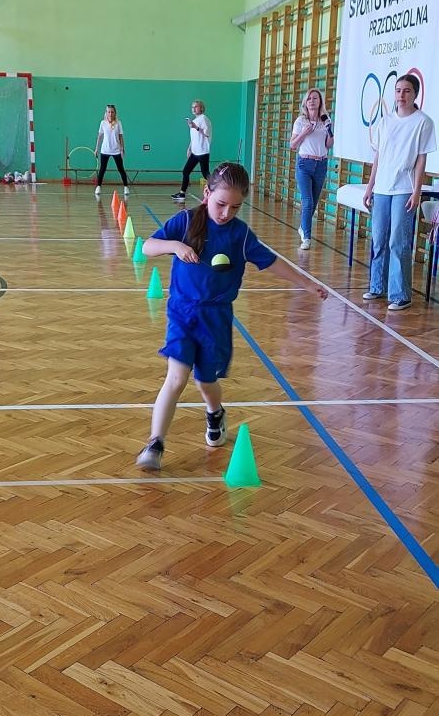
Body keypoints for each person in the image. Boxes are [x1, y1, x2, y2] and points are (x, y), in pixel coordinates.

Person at [137, 161, 327, 470]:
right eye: (221, 204)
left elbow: (271, 262)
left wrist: (307, 283)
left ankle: (215, 413)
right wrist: (174, 246)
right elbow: (147, 246)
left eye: (235, 207)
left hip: (217, 318)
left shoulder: (240, 235)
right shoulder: (185, 221)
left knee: (205, 381)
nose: (226, 212)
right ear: (207, 192)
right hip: (183, 314)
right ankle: (155, 443)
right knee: (176, 377)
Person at [363, 73, 436, 312]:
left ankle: (401, 294)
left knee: (399, 241)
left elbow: (421, 161)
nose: (401, 95)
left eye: (406, 91)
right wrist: (370, 186)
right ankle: (377, 286)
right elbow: (378, 157)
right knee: (379, 238)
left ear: (415, 94)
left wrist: (416, 191)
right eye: (397, 90)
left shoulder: (423, 122)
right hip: (382, 188)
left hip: (404, 189)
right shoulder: (385, 122)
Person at [290, 88, 334, 249]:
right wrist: (304, 133)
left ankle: (303, 226)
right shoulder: (300, 121)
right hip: (304, 164)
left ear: (320, 101)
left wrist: (330, 132)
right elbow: (292, 145)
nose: (312, 101)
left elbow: (328, 145)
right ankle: (307, 237)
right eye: (309, 99)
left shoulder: (326, 120)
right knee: (307, 202)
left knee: (313, 202)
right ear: (305, 103)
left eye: (315, 98)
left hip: (321, 164)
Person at [171, 100, 212, 204]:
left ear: (201, 108)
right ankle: (182, 193)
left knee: (205, 174)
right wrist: (190, 147)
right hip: (195, 152)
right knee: (186, 171)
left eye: (196, 107)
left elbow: (207, 134)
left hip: (203, 152)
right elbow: (195, 137)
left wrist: (196, 127)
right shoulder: (195, 120)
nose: (193, 109)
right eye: (192, 107)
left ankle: (215, 191)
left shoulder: (204, 119)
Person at [94, 104, 129, 199]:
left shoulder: (118, 123)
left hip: (116, 150)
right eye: (108, 112)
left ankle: (126, 187)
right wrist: (96, 149)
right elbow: (99, 136)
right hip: (105, 150)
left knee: (121, 169)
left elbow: (121, 137)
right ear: (106, 113)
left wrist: (122, 149)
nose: (110, 113)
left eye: (112, 112)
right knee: (102, 169)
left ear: (115, 113)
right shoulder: (103, 123)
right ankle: (98, 187)